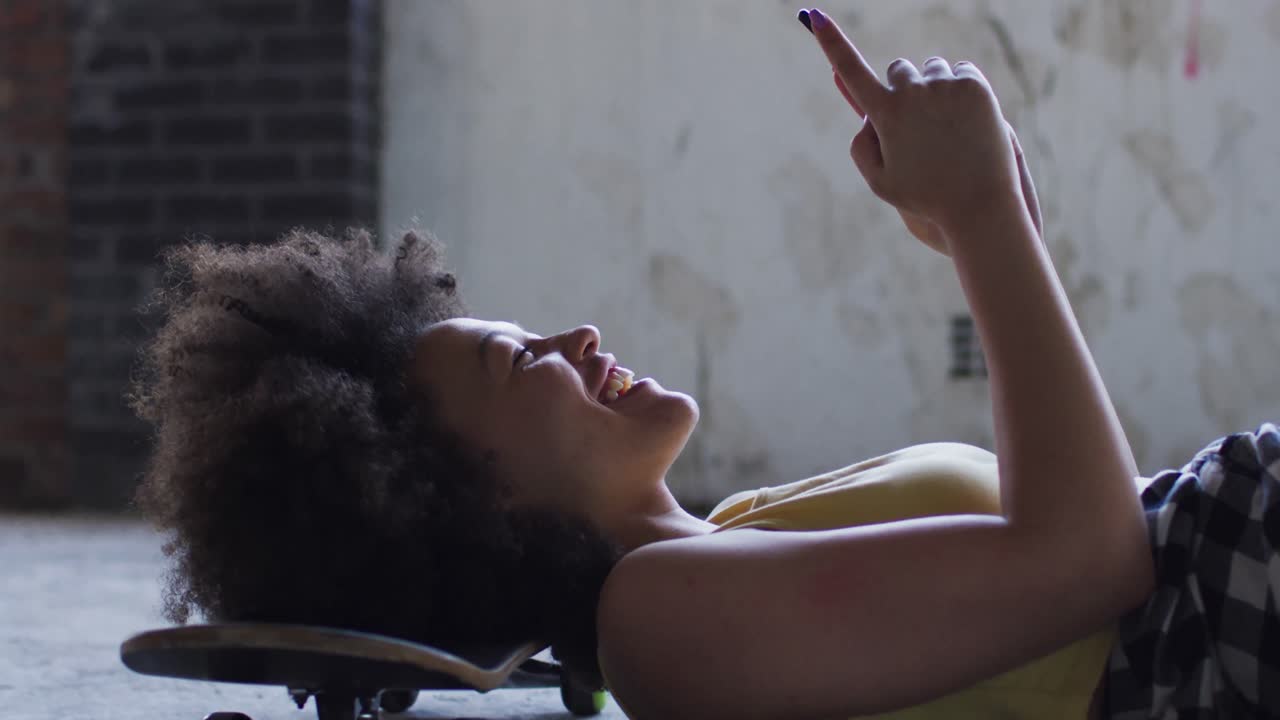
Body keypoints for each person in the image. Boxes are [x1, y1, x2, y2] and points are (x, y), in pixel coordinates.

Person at [129, 8, 1279, 719]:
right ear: (467, 496)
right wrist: (983, 221)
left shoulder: (730, 535)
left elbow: (1088, 528)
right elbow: (1094, 563)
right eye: (516, 359)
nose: (573, 338)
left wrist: (993, 217)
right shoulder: (660, 626)